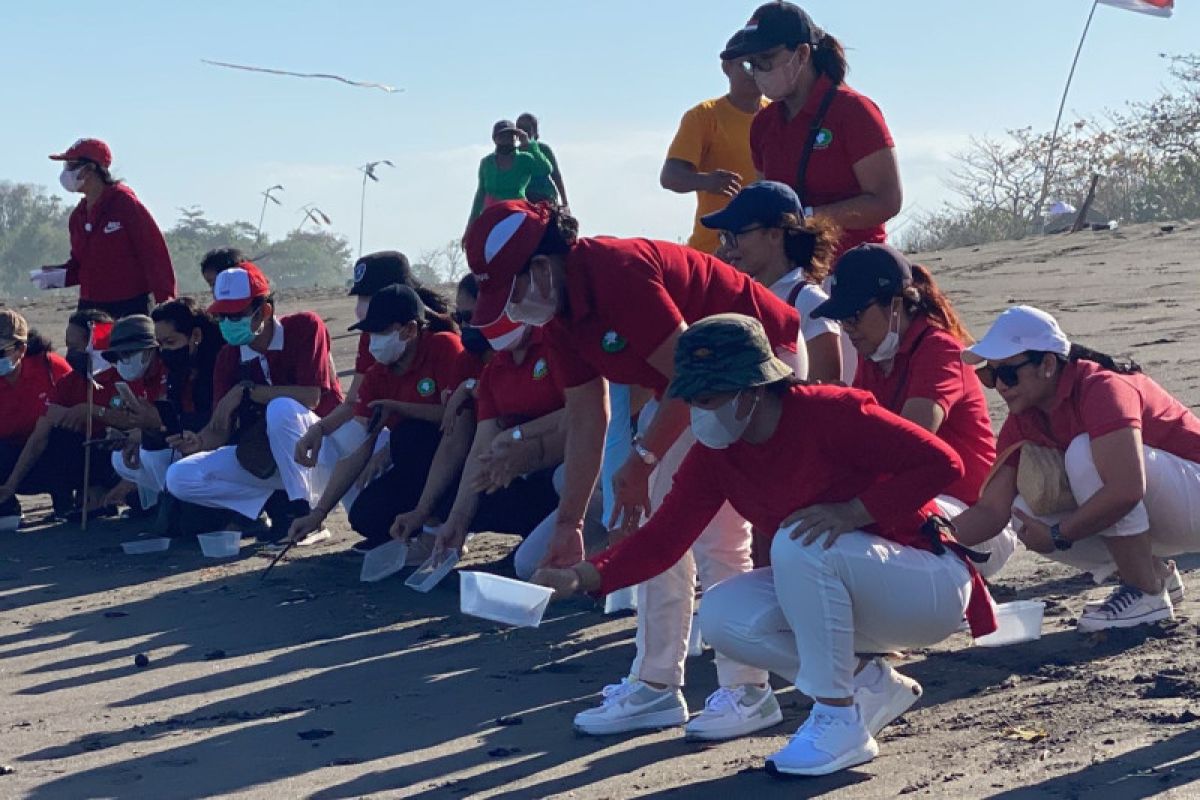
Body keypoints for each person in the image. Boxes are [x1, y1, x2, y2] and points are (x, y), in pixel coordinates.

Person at [535, 313, 995, 776]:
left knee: (798, 542)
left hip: (930, 583)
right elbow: (664, 539)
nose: (698, 411)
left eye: (709, 398)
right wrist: (581, 577)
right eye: (691, 398)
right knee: (721, 614)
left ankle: (837, 718)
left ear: (751, 390)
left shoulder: (830, 412)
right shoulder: (718, 453)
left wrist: (855, 512)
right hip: (856, 593)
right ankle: (867, 684)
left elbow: (942, 464)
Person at [465, 200, 802, 739]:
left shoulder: (618, 272)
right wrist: (571, 523)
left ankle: (747, 690)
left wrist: (643, 460)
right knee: (651, 527)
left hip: (759, 365)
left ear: (542, 268)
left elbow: (692, 375)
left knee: (715, 536)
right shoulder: (561, 312)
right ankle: (657, 684)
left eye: (511, 290)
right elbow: (585, 415)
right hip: (697, 385)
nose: (513, 308)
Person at [949, 306, 1200, 632]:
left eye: (1009, 373)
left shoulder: (1100, 386)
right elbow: (992, 511)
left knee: (1083, 454)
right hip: (1169, 511)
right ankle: (1155, 575)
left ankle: (1145, 592)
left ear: (1049, 364)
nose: (1000, 386)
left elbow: (1126, 489)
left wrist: (1058, 535)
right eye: (990, 375)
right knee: (1023, 508)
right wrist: (932, 540)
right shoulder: (1023, 417)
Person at [811, 244, 1018, 578]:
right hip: (924, 502)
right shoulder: (875, 354)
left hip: (976, 521)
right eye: (841, 319)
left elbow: (910, 444)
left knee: (854, 529)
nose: (847, 329)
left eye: (854, 316)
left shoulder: (940, 351)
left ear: (896, 305)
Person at [288, 285, 478, 552]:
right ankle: (415, 526)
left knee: (410, 434)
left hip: (453, 456)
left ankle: (439, 524)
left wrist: (398, 407)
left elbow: (457, 418)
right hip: (410, 469)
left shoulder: (443, 347)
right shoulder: (378, 375)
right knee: (366, 516)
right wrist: (318, 513)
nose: (373, 340)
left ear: (410, 330)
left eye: (381, 331)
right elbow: (360, 452)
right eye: (370, 332)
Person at [164, 264, 345, 539]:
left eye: (235, 314)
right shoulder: (228, 356)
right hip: (270, 461)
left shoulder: (304, 327)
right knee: (180, 477)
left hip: (324, 452)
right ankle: (270, 505)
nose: (227, 322)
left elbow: (311, 397)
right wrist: (198, 441)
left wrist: (248, 391)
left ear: (265, 311)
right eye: (222, 315)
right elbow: (218, 429)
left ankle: (304, 514)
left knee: (281, 408)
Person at [721, 3, 901, 257]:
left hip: (853, 270)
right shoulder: (763, 123)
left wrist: (805, 218)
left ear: (803, 54)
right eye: (752, 64)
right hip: (790, 275)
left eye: (767, 60)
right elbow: (766, 199)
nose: (758, 73)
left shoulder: (853, 111)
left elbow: (886, 201)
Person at [294, 251, 451, 513]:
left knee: (409, 441)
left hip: (433, 436)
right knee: (337, 441)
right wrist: (318, 430)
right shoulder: (376, 337)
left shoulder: (438, 339)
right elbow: (356, 403)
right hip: (391, 427)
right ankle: (368, 516)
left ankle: (434, 522)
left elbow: (455, 417)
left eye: (369, 295)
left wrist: (388, 449)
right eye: (361, 297)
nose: (362, 305)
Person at [701, 180, 845, 382]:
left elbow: (825, 392)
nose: (728, 248)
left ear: (775, 235)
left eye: (737, 234)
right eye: (725, 236)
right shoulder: (740, 298)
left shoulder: (810, 302)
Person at [41, 138, 176, 317]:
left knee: (127, 345)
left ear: (90, 169)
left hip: (130, 306)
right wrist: (52, 277)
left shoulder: (125, 204)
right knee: (90, 345)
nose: (66, 173)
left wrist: (166, 304)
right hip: (90, 306)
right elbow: (81, 265)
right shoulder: (78, 216)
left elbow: (154, 255)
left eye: (71, 166)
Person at [110, 299, 221, 514]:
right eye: (160, 345)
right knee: (128, 455)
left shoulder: (217, 362)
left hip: (213, 441)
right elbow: (174, 412)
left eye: (170, 342)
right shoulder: (178, 369)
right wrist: (146, 429)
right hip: (186, 438)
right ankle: (174, 503)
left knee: (156, 453)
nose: (165, 351)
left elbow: (216, 419)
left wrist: (157, 424)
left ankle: (192, 507)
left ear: (195, 336)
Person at [660, 59, 767, 254]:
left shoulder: (778, 116)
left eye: (762, 63)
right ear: (727, 68)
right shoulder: (704, 116)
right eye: (746, 65)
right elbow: (670, 176)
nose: (754, 72)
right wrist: (707, 181)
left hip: (767, 255)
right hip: (714, 250)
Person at [0, 311, 74, 527]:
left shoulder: (51, 368)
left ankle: (66, 500)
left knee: (64, 435)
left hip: (48, 452)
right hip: (8, 455)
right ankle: (6, 505)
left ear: (21, 349)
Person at [467, 120, 555, 226]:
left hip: (518, 212)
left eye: (510, 136)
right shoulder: (486, 163)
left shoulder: (524, 158)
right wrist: (471, 225)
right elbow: (480, 195)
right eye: (502, 136)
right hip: (492, 215)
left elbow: (546, 169)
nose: (507, 140)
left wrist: (530, 146)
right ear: (495, 139)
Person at [516, 113, 569, 209]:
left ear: (534, 130)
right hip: (524, 197)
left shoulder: (543, 149)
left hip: (545, 196)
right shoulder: (515, 152)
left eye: (527, 128)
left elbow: (555, 175)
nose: (523, 131)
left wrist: (565, 201)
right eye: (519, 128)